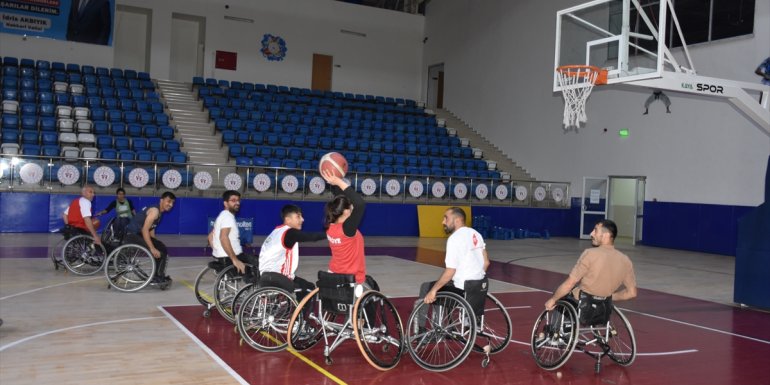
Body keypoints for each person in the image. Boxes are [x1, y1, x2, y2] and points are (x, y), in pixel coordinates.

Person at [544, 219, 637, 324]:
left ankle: (556, 334)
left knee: (559, 292)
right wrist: (608, 297)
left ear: (606, 235)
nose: (591, 233)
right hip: (603, 308)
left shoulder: (590, 254)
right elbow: (631, 293)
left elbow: (570, 283)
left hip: (583, 305)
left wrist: (552, 300)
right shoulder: (625, 260)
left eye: (595, 230)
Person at [321, 169, 377, 295]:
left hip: (333, 275)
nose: (353, 206)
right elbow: (360, 204)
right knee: (373, 293)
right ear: (346, 211)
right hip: (351, 279)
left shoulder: (330, 226)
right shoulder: (347, 229)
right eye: (350, 205)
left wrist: (334, 181)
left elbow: (340, 200)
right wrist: (339, 181)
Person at [419, 207, 490, 305]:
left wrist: (433, 291)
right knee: (441, 286)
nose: (443, 222)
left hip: (462, 288)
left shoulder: (454, 238)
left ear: (457, 220)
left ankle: (422, 320)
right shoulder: (476, 234)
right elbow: (486, 263)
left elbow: (450, 271)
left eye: (446, 218)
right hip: (479, 285)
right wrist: (475, 276)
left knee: (427, 288)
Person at [259, 204, 326, 299]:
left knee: (307, 285)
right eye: (298, 216)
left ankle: (295, 310)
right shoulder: (289, 232)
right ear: (288, 219)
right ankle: (300, 313)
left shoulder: (276, 231)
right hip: (278, 276)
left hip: (265, 275)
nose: (302, 219)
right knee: (308, 290)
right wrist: (330, 234)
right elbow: (311, 237)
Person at [124, 191, 176, 284]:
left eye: (172, 202)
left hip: (138, 234)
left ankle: (158, 275)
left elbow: (151, 228)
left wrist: (155, 242)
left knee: (161, 247)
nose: (171, 204)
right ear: (161, 200)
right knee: (158, 251)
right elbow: (145, 229)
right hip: (132, 235)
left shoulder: (159, 212)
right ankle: (156, 276)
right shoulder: (155, 211)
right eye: (168, 201)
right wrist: (152, 248)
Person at [208, 190, 258, 279]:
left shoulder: (222, 215)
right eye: (233, 200)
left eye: (238, 200)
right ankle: (257, 290)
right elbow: (223, 238)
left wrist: (217, 251)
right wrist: (234, 260)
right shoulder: (228, 217)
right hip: (231, 258)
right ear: (225, 203)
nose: (237, 203)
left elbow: (210, 236)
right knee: (261, 264)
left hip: (222, 256)